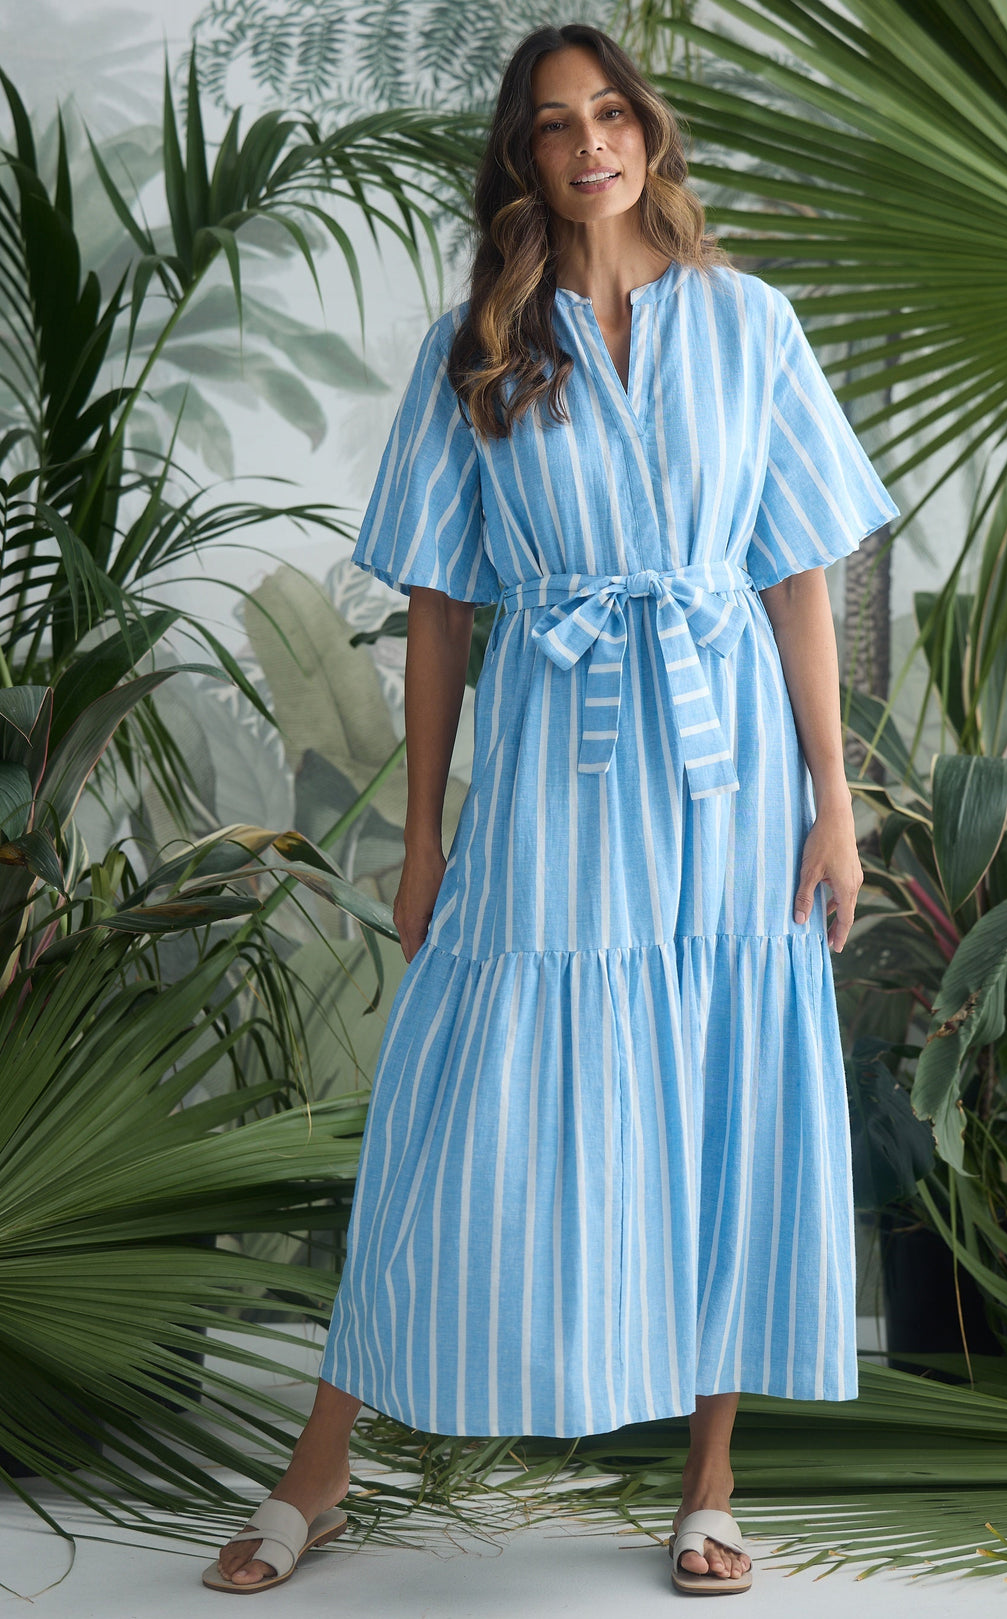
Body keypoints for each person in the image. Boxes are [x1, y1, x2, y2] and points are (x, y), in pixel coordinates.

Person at [204, 20, 900, 1599]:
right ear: (524, 157)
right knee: (459, 1090)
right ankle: (323, 1466)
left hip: (730, 777)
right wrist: (427, 836)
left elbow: (798, 575)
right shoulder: (483, 345)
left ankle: (709, 1484)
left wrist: (833, 804)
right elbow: (439, 609)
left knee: (727, 1079)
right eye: (555, 125)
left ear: (649, 131)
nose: (592, 145)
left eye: (611, 114)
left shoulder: (751, 322)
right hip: (556, 764)